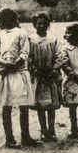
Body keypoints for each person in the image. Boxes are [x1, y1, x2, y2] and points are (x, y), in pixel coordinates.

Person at [0, 8, 38, 148]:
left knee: (23, 106)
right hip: (5, 75)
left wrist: (13, 66)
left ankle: (25, 136)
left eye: (0, 19)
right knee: (6, 107)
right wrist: (4, 63)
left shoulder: (21, 34)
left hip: (19, 74)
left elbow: (24, 53)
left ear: (8, 19)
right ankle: (9, 138)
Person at [27, 11, 62, 142]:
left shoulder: (53, 40)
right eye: (38, 23)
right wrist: (34, 69)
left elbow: (60, 56)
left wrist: (54, 69)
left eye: (44, 23)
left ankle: (52, 130)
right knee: (41, 105)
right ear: (34, 25)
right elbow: (29, 57)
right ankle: (43, 130)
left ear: (48, 25)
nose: (41, 26)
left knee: (51, 105)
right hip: (39, 76)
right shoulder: (31, 40)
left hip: (51, 75)